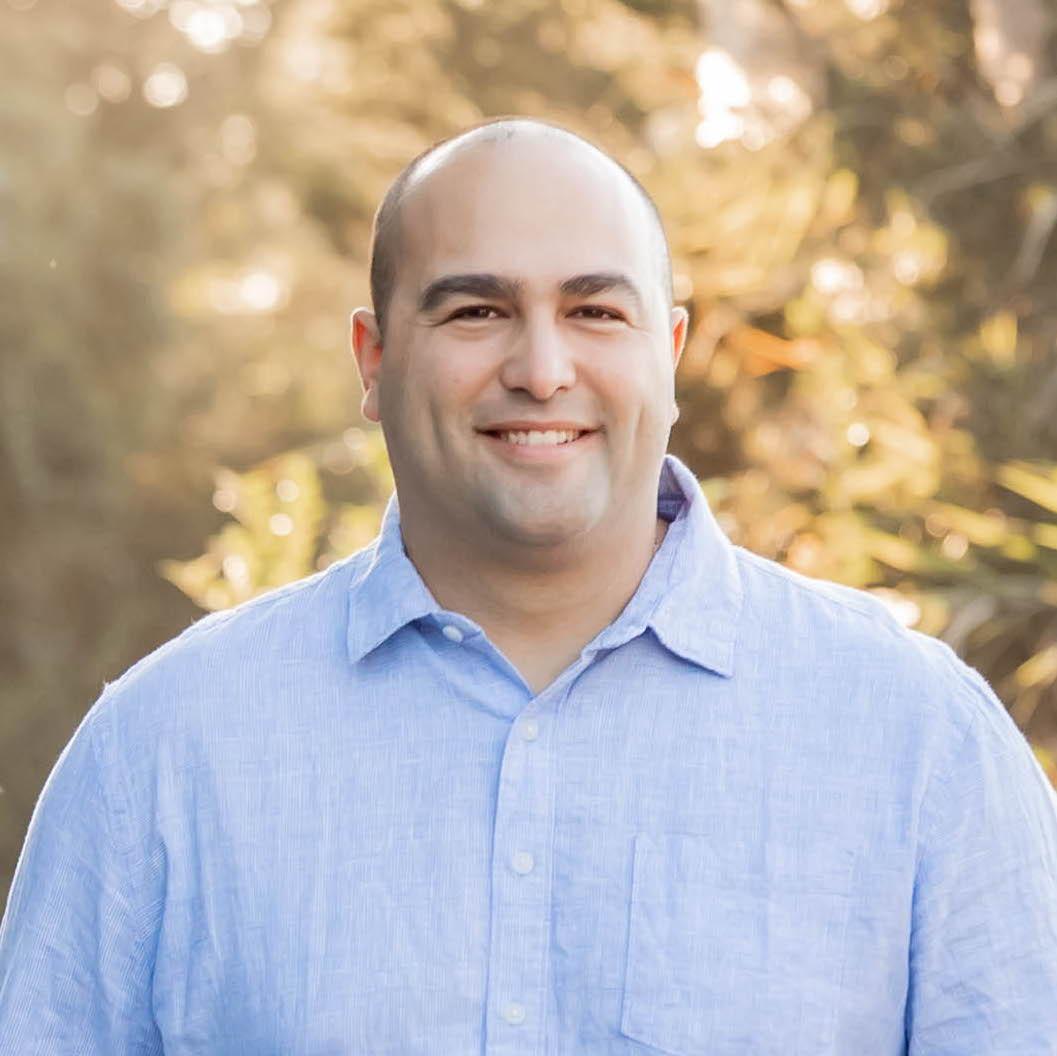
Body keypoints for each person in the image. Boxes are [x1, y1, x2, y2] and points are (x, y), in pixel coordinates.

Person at [1, 117, 1056, 1055]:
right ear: (372, 360)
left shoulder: (922, 745)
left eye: (594, 311)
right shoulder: (162, 755)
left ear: (669, 354)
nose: (542, 370)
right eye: (475, 312)